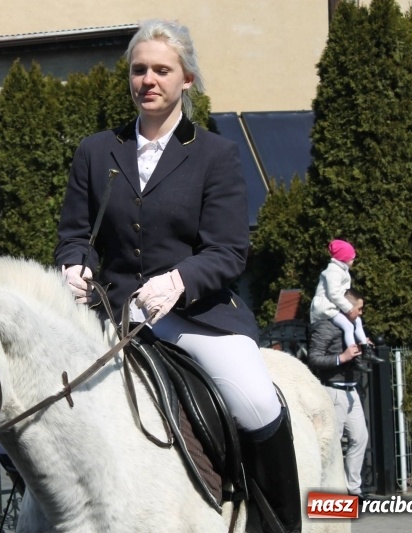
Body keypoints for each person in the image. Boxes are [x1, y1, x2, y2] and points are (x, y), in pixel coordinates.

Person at [54, 19, 300, 532]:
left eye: (162, 70)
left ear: (186, 79)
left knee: (255, 401)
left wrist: (179, 280)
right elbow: (77, 234)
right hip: (116, 314)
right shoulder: (96, 152)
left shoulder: (217, 154)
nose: (149, 80)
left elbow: (229, 250)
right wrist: (75, 265)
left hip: (197, 315)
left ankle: (278, 525)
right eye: (139, 70)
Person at [305, 289, 371, 500]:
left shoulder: (353, 327)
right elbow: (314, 359)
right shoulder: (325, 327)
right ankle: (331, 492)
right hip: (333, 391)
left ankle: (353, 489)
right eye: (358, 308)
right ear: (346, 307)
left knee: (360, 437)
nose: (361, 313)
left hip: (351, 390)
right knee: (332, 443)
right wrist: (341, 358)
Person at [310, 239, 383, 365]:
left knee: (357, 321)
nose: (353, 261)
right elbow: (334, 294)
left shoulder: (342, 270)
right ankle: (355, 358)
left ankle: (366, 349)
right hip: (326, 309)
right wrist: (349, 309)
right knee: (348, 326)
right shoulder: (333, 271)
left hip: (334, 307)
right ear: (344, 259)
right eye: (352, 258)